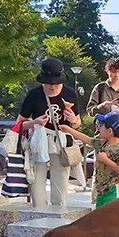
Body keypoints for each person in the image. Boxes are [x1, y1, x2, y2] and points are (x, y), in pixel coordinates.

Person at [16, 58, 81, 207]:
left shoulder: (70, 94)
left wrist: (73, 120)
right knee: (37, 188)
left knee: (60, 189)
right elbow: (19, 124)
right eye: (49, 83)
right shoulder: (34, 95)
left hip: (61, 143)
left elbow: (77, 123)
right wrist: (35, 122)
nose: (52, 86)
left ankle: (59, 219)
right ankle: (38, 216)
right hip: (38, 142)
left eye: (56, 83)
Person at [62, 113, 119, 208]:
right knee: (100, 217)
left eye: (101, 126)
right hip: (100, 190)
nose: (99, 128)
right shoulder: (102, 142)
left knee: (111, 217)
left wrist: (105, 160)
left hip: (112, 190)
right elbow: (88, 140)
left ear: (109, 131)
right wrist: (69, 130)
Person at [87, 57, 119, 125]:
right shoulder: (100, 88)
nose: (116, 75)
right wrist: (102, 106)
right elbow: (90, 110)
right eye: (113, 72)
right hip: (104, 129)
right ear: (107, 71)